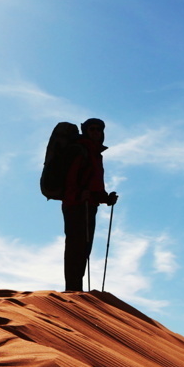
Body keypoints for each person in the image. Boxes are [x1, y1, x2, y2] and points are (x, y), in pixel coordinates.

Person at [61, 118, 117, 292]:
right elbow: (69, 180)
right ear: (85, 131)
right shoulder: (80, 151)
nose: (95, 132)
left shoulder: (94, 154)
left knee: (84, 249)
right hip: (75, 205)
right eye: (92, 129)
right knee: (76, 249)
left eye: (98, 130)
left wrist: (106, 198)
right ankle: (73, 291)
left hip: (89, 205)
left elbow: (94, 186)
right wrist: (78, 194)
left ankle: (76, 289)